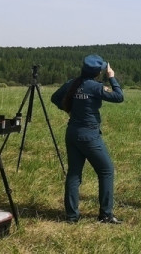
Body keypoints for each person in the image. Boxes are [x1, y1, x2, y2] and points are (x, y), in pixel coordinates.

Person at [51, 54, 124, 224]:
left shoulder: (72, 83)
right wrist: (112, 78)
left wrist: (69, 110)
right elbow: (119, 97)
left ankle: (71, 216)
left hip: (72, 133)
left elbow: (55, 98)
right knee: (106, 171)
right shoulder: (95, 87)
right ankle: (105, 215)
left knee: (74, 174)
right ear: (98, 73)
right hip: (89, 135)